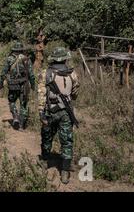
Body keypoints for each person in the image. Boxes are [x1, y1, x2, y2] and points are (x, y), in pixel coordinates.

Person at [38, 47, 80, 184]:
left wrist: (41, 113)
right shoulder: (72, 73)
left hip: (50, 111)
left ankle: (45, 162)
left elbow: (41, 94)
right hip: (67, 113)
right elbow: (75, 94)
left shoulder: (46, 73)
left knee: (47, 137)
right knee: (67, 140)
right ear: (65, 58)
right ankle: (65, 172)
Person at [0, 42, 36, 130]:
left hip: (13, 84)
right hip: (24, 84)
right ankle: (21, 125)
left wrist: (1, 83)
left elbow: (3, 73)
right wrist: (33, 85)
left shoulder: (9, 59)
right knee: (23, 104)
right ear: (22, 50)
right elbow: (31, 75)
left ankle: (15, 117)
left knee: (12, 101)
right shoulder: (27, 59)